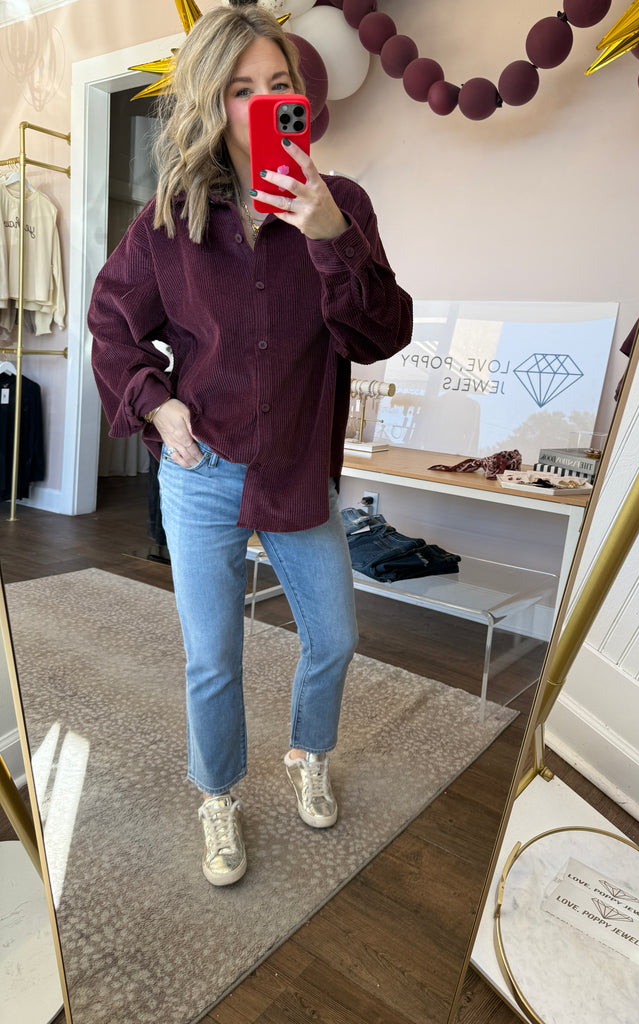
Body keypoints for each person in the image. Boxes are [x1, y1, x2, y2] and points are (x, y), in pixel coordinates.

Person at [89, 4, 412, 886]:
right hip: (202, 470)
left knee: (334, 637)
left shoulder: (342, 205)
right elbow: (111, 324)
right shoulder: (168, 220)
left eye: (279, 86)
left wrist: (328, 236)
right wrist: (156, 406)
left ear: (300, 99)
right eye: (242, 89)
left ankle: (308, 752)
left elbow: (381, 334)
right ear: (211, 101)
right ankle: (218, 794)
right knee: (212, 655)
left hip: (297, 462)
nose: (264, 103)